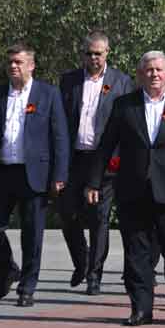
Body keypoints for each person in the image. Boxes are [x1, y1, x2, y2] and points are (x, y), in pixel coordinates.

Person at [86, 51, 165, 326]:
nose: (154, 74)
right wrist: (94, 181)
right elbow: (106, 145)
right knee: (137, 253)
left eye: (159, 70)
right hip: (134, 191)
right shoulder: (124, 106)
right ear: (140, 74)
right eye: (148, 70)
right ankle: (141, 308)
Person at [0, 43, 69, 307]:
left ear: (31, 65)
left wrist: (59, 175)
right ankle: (7, 271)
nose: (13, 66)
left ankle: (27, 287)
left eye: (19, 62)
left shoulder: (48, 94)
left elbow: (60, 138)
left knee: (32, 234)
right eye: (10, 62)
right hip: (2, 172)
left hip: (34, 174)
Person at [58, 31, 134, 295]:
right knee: (67, 213)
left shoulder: (121, 82)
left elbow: (127, 123)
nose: (93, 58)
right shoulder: (68, 81)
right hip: (74, 158)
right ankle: (81, 261)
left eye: (98, 53)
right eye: (89, 53)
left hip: (105, 161)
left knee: (99, 218)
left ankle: (94, 275)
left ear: (107, 53)